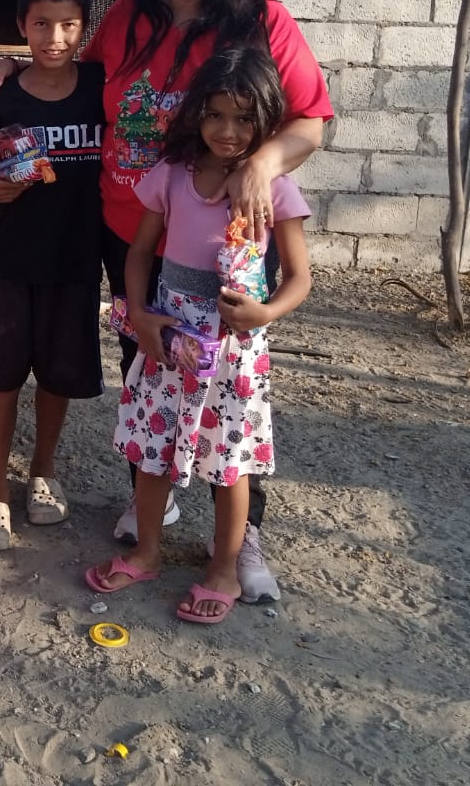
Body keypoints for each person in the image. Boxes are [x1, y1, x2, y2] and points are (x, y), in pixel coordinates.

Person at [0, 0, 332, 603]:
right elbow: (77, 70)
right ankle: (155, 501)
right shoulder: (129, 17)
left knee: (231, 385)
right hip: (131, 230)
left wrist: (262, 165)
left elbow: (310, 118)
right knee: (147, 364)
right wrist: (12, 69)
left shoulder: (262, 22)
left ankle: (242, 531)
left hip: (226, 240)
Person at [86, 47, 313, 624]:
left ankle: (224, 570)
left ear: (267, 119)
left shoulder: (274, 189)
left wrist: (265, 313)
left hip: (234, 349)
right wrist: (141, 316)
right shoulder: (171, 175)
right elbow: (139, 253)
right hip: (169, 339)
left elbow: (299, 277)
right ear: (196, 114)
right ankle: (147, 552)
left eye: (243, 118)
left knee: (229, 461)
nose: (227, 131)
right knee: (153, 450)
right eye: (215, 115)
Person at [0, 0, 103, 551]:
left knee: (58, 375)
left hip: (76, 262)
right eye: (41, 24)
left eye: (68, 25)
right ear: (21, 25)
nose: (55, 38)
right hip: (11, 262)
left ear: (85, 27)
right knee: (1, 378)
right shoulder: (6, 94)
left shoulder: (100, 88)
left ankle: (43, 470)